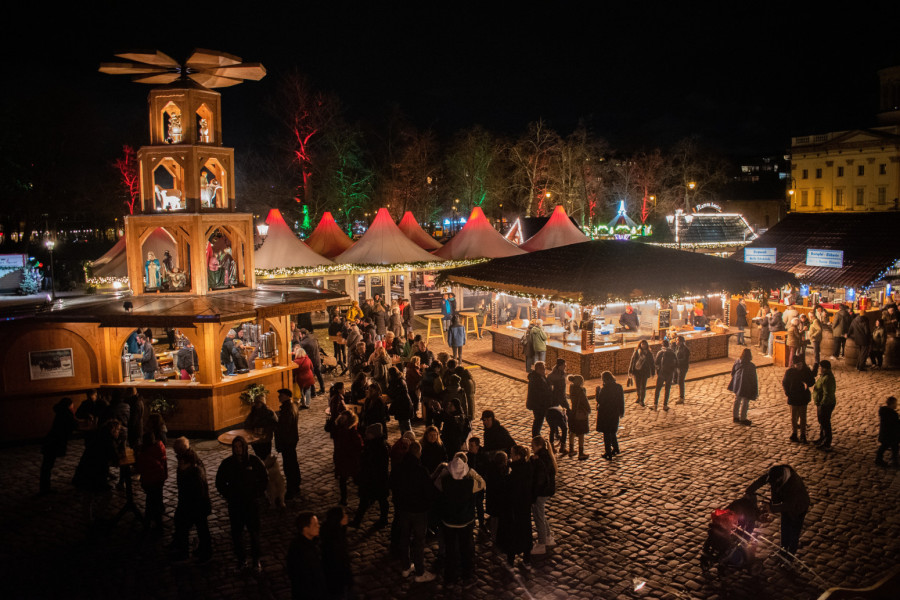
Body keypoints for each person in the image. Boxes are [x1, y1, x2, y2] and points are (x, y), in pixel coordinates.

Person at [215, 436, 268, 572]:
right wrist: (229, 495)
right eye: (235, 447)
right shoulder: (227, 464)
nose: (238, 450)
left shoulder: (254, 462)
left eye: (240, 447)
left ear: (244, 447)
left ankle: (256, 560)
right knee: (237, 534)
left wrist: (256, 493)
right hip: (236, 504)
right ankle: (242, 560)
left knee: (254, 533)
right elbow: (220, 482)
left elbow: (264, 479)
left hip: (251, 504)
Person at [434, 453, 485, 584]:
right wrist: (471, 471)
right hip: (465, 522)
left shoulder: (445, 482)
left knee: (450, 551)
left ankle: (450, 579)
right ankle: (467, 576)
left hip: (449, 522)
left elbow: (437, 483)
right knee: (465, 549)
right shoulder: (469, 483)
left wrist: (445, 471)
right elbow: (482, 483)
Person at [392, 441, 437, 583]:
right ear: (418, 453)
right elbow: (429, 492)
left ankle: (405, 567)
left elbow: (391, 484)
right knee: (418, 542)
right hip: (418, 512)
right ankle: (420, 571)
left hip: (403, 510)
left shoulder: (398, 468)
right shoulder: (421, 471)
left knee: (404, 538)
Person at [746, 465, 810, 559]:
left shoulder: (793, 484)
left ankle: (790, 557)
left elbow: (790, 505)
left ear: (780, 478)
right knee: (785, 529)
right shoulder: (775, 474)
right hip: (785, 504)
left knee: (793, 533)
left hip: (798, 508)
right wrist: (749, 491)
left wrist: (771, 508)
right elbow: (762, 480)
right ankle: (783, 552)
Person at [169, 437, 212, 564]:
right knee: (200, 528)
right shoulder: (191, 460)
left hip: (194, 503)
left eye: (176, 451)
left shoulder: (191, 466)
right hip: (195, 503)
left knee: (189, 527)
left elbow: (197, 487)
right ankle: (203, 550)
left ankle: (189, 552)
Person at [497, 445, 534, 566]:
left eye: (512, 454)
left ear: (517, 456)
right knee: (526, 530)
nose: (510, 456)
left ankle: (511, 559)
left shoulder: (514, 472)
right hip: (525, 506)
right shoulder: (528, 467)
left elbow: (508, 489)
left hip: (514, 507)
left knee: (512, 532)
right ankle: (527, 557)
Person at [351, 423, 390, 529]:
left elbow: (377, 465)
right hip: (371, 479)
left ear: (374, 435)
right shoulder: (372, 445)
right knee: (365, 501)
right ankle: (357, 520)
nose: (366, 435)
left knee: (381, 501)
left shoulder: (379, 447)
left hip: (376, 479)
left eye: (368, 433)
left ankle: (383, 519)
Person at [39, 397, 80, 495]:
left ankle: (44, 487)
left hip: (50, 441)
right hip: (54, 443)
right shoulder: (67, 414)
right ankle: (45, 489)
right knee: (47, 466)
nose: (73, 406)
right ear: (69, 405)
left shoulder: (60, 412)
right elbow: (75, 425)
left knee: (46, 466)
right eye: (72, 405)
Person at [286, 512, 327, 600]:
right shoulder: (300, 551)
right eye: (315, 525)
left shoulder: (313, 542)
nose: (319, 526)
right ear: (305, 529)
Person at [136, 430, 168, 534]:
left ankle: (154, 525)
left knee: (151, 502)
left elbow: (139, 468)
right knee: (155, 500)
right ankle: (153, 522)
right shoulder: (160, 447)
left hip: (150, 481)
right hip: (160, 478)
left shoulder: (144, 454)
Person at [530, 436, 556, 555]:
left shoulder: (540, 459)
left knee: (538, 517)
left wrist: (534, 494)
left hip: (541, 492)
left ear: (538, 446)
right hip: (547, 490)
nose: (531, 448)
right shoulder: (546, 456)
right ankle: (548, 536)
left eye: (533, 446)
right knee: (541, 514)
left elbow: (538, 479)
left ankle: (541, 544)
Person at [321, 506, 354, 598]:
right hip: (337, 580)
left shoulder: (338, 531)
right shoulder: (334, 539)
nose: (347, 516)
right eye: (344, 515)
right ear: (338, 518)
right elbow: (339, 561)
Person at [275, 388, 302, 499]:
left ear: (286, 396)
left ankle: (292, 487)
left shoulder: (287, 409)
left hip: (287, 441)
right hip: (291, 440)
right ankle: (296, 484)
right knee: (293, 463)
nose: (279, 397)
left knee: (289, 465)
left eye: (280, 395)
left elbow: (284, 428)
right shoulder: (293, 406)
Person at [782, 356, 815, 444]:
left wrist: (807, 383)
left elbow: (812, 381)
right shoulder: (789, 372)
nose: (799, 366)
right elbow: (785, 383)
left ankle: (803, 435)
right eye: (797, 365)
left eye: (800, 364)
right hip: (793, 397)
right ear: (794, 364)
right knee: (793, 417)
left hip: (803, 398)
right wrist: (787, 393)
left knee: (803, 417)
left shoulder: (806, 371)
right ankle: (794, 433)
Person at [333, 411, 363, 506]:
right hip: (343, 458)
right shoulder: (339, 429)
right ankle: (344, 498)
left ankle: (363, 494)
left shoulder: (351, 431)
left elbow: (359, 445)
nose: (342, 418)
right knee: (343, 480)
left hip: (350, 459)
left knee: (356, 479)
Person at [595, 371, 625, 460]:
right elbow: (621, 400)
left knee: (606, 434)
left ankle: (608, 452)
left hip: (605, 413)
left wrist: (597, 392)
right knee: (612, 431)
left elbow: (600, 400)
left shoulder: (605, 389)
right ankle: (616, 448)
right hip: (614, 412)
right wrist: (621, 411)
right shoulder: (619, 387)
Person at [728, 348, 758, 425]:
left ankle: (735, 417)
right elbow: (753, 378)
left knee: (737, 400)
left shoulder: (737, 362)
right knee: (745, 401)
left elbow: (733, 372)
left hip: (737, 384)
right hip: (746, 385)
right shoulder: (751, 366)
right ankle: (743, 418)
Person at [812, 360, 836, 449]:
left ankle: (827, 442)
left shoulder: (827, 378)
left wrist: (822, 404)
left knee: (825, 423)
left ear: (825, 368)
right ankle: (822, 438)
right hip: (821, 403)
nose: (819, 368)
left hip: (826, 404)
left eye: (820, 367)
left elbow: (827, 393)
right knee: (822, 422)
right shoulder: (824, 376)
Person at [567, 375, 591, 460]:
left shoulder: (572, 389)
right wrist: (589, 410)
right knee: (581, 433)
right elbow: (585, 402)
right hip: (580, 413)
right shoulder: (580, 391)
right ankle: (581, 453)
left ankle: (571, 450)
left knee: (572, 431)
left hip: (573, 412)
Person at [527, 361, 552, 438]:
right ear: (537, 369)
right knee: (538, 420)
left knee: (539, 420)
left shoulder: (541, 377)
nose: (544, 370)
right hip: (538, 405)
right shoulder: (535, 379)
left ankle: (536, 435)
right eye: (542, 369)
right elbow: (538, 393)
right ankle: (535, 436)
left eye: (544, 368)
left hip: (542, 404)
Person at [628, 340, 655, 407]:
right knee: (637, 386)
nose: (643, 345)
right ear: (640, 345)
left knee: (643, 386)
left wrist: (653, 372)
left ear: (647, 345)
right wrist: (630, 370)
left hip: (645, 372)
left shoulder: (649, 353)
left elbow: (652, 363)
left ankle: (642, 400)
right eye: (642, 344)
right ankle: (638, 397)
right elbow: (632, 361)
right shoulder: (636, 352)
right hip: (637, 371)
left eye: (645, 344)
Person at [299, 329, 327, 395]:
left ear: (303, 334)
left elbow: (301, 353)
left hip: (310, 361)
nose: (300, 336)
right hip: (317, 360)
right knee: (319, 375)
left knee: (311, 377)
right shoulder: (314, 338)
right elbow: (319, 348)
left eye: (300, 334)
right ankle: (323, 389)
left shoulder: (303, 343)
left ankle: (313, 392)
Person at [653, 338, 677, 411]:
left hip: (661, 373)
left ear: (662, 345)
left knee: (658, 389)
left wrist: (657, 370)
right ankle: (665, 405)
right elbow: (676, 363)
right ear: (668, 345)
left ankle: (655, 404)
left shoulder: (660, 352)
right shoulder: (672, 352)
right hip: (669, 373)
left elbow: (656, 362)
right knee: (667, 389)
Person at [876, 396, 899, 467]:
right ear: (892, 404)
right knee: (888, 447)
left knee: (892, 447)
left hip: (886, 434)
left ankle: (892, 460)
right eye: (895, 403)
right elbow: (895, 424)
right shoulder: (892, 414)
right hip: (890, 435)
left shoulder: (884, 412)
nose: (896, 405)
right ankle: (880, 460)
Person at [673, 335, 690, 404]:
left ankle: (681, 397)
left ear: (681, 341)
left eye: (677, 340)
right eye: (676, 340)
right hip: (678, 367)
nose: (676, 342)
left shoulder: (685, 349)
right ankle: (680, 395)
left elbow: (685, 359)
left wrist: (677, 361)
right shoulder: (678, 347)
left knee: (680, 381)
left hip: (683, 367)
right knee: (678, 381)